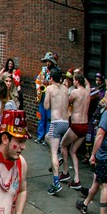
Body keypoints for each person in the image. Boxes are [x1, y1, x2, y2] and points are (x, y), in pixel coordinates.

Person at [60, 73, 91, 191]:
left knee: (63, 145)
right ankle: (77, 180)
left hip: (76, 125)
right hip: (85, 126)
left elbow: (67, 102)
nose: (73, 81)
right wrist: (81, 73)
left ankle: (65, 171)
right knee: (73, 151)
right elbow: (88, 83)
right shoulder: (88, 91)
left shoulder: (75, 92)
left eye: (73, 79)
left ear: (77, 81)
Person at [43, 66, 70, 195]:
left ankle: (56, 182)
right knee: (48, 137)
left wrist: (47, 94)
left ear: (51, 78)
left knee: (53, 151)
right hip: (66, 123)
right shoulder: (66, 89)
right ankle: (61, 163)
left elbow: (46, 106)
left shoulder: (49, 88)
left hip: (56, 122)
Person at [35, 53, 57, 144]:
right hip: (42, 97)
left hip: (51, 98)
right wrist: (40, 87)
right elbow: (37, 81)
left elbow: (57, 85)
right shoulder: (43, 71)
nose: (47, 63)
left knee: (49, 119)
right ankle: (40, 136)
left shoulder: (56, 72)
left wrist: (48, 83)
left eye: (49, 62)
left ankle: (47, 138)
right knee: (41, 117)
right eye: (46, 61)